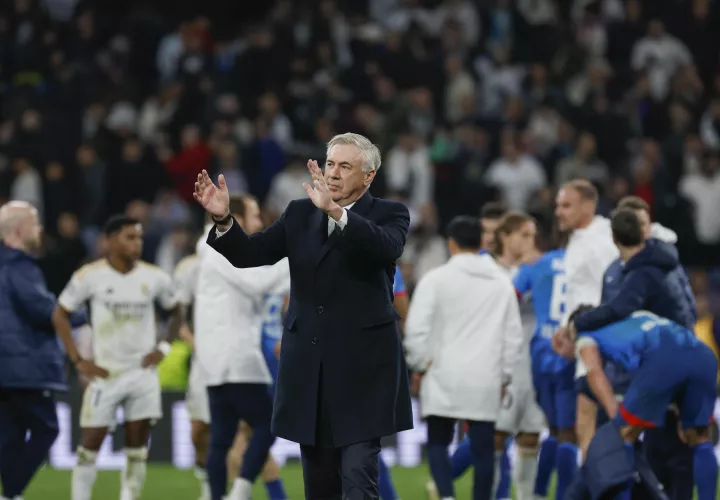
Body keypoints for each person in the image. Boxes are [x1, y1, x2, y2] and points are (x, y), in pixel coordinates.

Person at [193, 132, 413, 500]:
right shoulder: (299, 212)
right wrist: (224, 220)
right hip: (310, 371)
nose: (334, 173)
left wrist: (337, 212)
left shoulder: (390, 213)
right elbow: (252, 254)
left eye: (346, 166)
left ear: (369, 176)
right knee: (320, 486)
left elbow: (386, 247)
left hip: (364, 373)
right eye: (330, 164)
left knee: (359, 478)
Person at [565, 205, 703, 500]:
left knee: (618, 438)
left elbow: (616, 313)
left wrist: (579, 324)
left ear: (613, 239)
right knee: (682, 442)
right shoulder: (667, 267)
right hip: (689, 357)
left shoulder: (638, 277)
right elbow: (688, 312)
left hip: (665, 365)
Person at [52, 215, 180, 500]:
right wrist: (77, 360)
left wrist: (164, 348)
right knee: (89, 444)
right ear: (110, 241)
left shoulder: (155, 277)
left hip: (142, 373)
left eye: (140, 238)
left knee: (136, 446)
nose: (137, 243)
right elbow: (60, 313)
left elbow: (177, 310)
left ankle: (129, 497)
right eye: (130, 237)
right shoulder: (89, 276)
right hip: (105, 373)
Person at [404, 216, 523, 500]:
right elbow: (513, 336)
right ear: (482, 242)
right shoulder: (501, 283)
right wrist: (505, 375)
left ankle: (445, 495)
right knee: (484, 450)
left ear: (451, 244)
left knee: (438, 440)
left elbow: (416, 329)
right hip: (485, 377)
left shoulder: (435, 280)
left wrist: (420, 364)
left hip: (442, 373)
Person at [558, 309, 718, 500]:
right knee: (699, 438)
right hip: (702, 355)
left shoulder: (586, 333)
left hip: (664, 361)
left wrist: (615, 415)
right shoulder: (638, 316)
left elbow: (594, 371)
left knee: (623, 435)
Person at [193, 194, 290, 500]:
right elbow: (257, 283)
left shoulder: (212, 250)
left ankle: (219, 495)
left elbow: (264, 281)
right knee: (269, 423)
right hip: (233, 357)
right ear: (236, 217)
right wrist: (297, 256)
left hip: (219, 360)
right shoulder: (218, 250)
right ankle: (242, 488)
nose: (259, 223)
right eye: (255, 215)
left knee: (221, 438)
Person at [0, 201, 85, 500]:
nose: (40, 230)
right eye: (35, 223)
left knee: (9, 435)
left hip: (5, 368)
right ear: (20, 230)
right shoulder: (20, 266)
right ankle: (11, 491)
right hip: (23, 366)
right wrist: (85, 311)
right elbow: (45, 312)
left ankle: (11, 494)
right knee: (47, 428)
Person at [553, 180, 619, 457]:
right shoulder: (580, 238)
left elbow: (616, 292)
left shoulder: (601, 242)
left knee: (592, 416)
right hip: (585, 337)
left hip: (603, 341)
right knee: (586, 417)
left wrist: (583, 329)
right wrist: (566, 328)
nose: (558, 212)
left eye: (566, 205)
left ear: (588, 206)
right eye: (557, 205)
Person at [513, 237, 577, 500]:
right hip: (571, 351)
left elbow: (511, 294)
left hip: (541, 350)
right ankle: (564, 495)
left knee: (551, 427)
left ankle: (538, 493)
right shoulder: (586, 262)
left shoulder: (537, 264)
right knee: (568, 433)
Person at [489, 212, 546, 500]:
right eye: (524, 235)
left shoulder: (540, 271)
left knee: (530, 438)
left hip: (534, 367)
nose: (530, 241)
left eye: (533, 235)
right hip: (503, 369)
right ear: (505, 237)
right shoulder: (491, 272)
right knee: (496, 438)